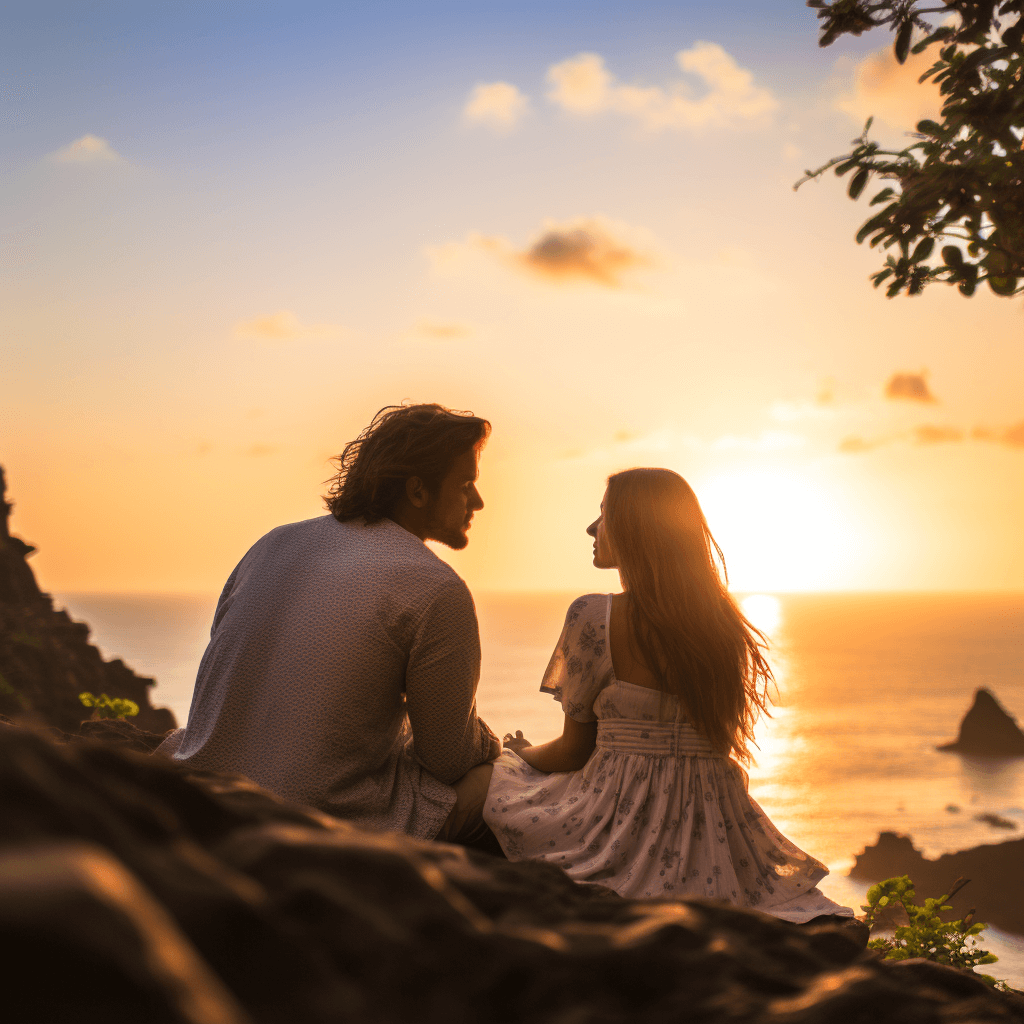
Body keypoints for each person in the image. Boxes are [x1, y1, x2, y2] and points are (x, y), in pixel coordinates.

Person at [482, 468, 854, 922]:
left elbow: (573, 751)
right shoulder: (724, 626)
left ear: (636, 529)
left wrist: (521, 753)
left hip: (618, 823)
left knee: (499, 787)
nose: (592, 528)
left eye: (604, 514)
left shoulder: (594, 615)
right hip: (710, 833)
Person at [158, 404, 501, 846]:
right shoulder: (436, 587)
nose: (478, 501)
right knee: (502, 780)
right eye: (467, 484)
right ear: (417, 491)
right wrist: (496, 745)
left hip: (200, 792)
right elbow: (448, 759)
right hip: (315, 821)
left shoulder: (271, 543)